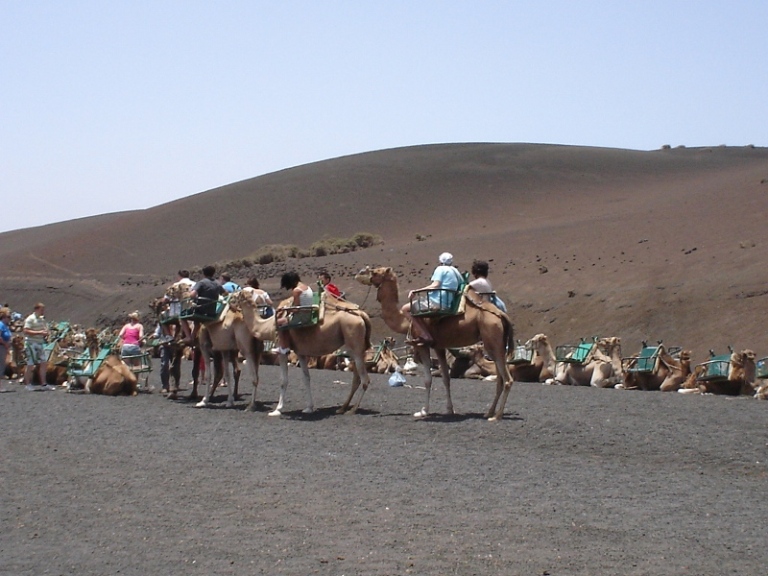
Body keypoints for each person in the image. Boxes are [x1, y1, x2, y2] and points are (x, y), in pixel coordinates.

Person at [401, 252, 463, 346]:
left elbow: (435, 285)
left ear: (440, 261)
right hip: (448, 304)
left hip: (436, 302)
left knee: (405, 309)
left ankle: (424, 335)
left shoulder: (440, 269)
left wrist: (416, 291)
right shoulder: (456, 272)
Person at [186, 265, 227, 344]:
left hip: (200, 310)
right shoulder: (217, 284)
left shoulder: (201, 282)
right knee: (197, 321)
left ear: (203, 274)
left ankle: (189, 337)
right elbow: (225, 293)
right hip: (212, 311)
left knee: (182, 316)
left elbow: (192, 295)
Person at [276, 271, 313, 355]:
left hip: (301, 317)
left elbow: (296, 309)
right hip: (308, 313)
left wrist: (286, 309)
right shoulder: (307, 287)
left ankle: (284, 347)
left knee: (278, 323)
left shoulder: (296, 291)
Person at [23, 302, 51, 390]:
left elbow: (43, 329)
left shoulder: (42, 319)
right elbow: (26, 330)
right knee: (30, 363)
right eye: (41, 309)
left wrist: (45, 333)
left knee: (43, 363)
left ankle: (44, 383)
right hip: (31, 343)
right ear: (36, 309)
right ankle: (27, 384)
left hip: (40, 343)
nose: (43, 311)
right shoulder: (30, 319)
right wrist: (39, 333)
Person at [0, 307, 12, 390]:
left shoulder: (5, 325)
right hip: (1, 346)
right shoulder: (1, 325)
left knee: (2, 366)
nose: (9, 318)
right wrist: (5, 344)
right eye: (8, 316)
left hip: (3, 346)